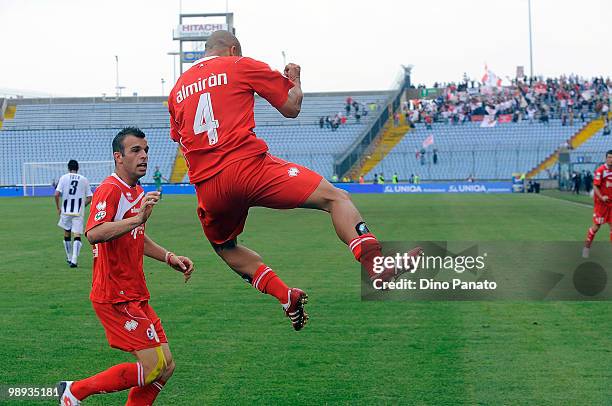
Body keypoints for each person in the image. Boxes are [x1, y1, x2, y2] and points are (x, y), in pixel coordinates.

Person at [167, 30, 420, 331]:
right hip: (249, 167)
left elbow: (180, 141)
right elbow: (291, 107)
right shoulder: (240, 64)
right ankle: (376, 266)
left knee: (225, 246)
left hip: (209, 185)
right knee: (335, 198)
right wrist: (295, 80)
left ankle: (285, 295)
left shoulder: (176, 90)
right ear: (232, 49)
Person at [58, 128, 195, 405]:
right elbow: (94, 232)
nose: (143, 155)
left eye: (145, 150)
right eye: (136, 150)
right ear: (118, 157)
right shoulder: (109, 189)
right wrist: (137, 219)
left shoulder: (137, 191)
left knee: (166, 366)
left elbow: (136, 237)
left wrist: (169, 257)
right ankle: (75, 392)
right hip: (114, 295)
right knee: (152, 367)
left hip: (135, 293)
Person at [54, 159, 93, 268]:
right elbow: (90, 197)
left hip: (66, 210)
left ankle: (69, 257)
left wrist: (58, 208)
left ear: (68, 168)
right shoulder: (84, 179)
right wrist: (82, 206)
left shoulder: (63, 177)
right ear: (77, 168)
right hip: (78, 211)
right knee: (77, 234)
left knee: (67, 232)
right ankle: (74, 260)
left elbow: (56, 194)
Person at [583, 151, 612, 258]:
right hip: (601, 205)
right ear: (606, 158)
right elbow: (595, 186)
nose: (611, 159)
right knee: (596, 227)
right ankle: (586, 248)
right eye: (609, 157)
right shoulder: (601, 170)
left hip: (611, 204)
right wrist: (601, 197)